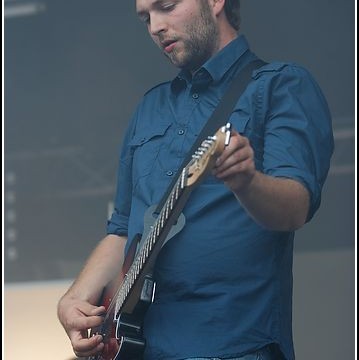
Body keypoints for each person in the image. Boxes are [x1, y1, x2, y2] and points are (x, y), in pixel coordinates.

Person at [57, 0, 334, 359]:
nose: (155, 26)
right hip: (139, 348)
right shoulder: (150, 107)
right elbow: (124, 228)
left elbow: (296, 208)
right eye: (146, 18)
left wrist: (246, 182)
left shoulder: (281, 86)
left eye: (167, 6)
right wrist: (75, 297)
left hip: (232, 346)